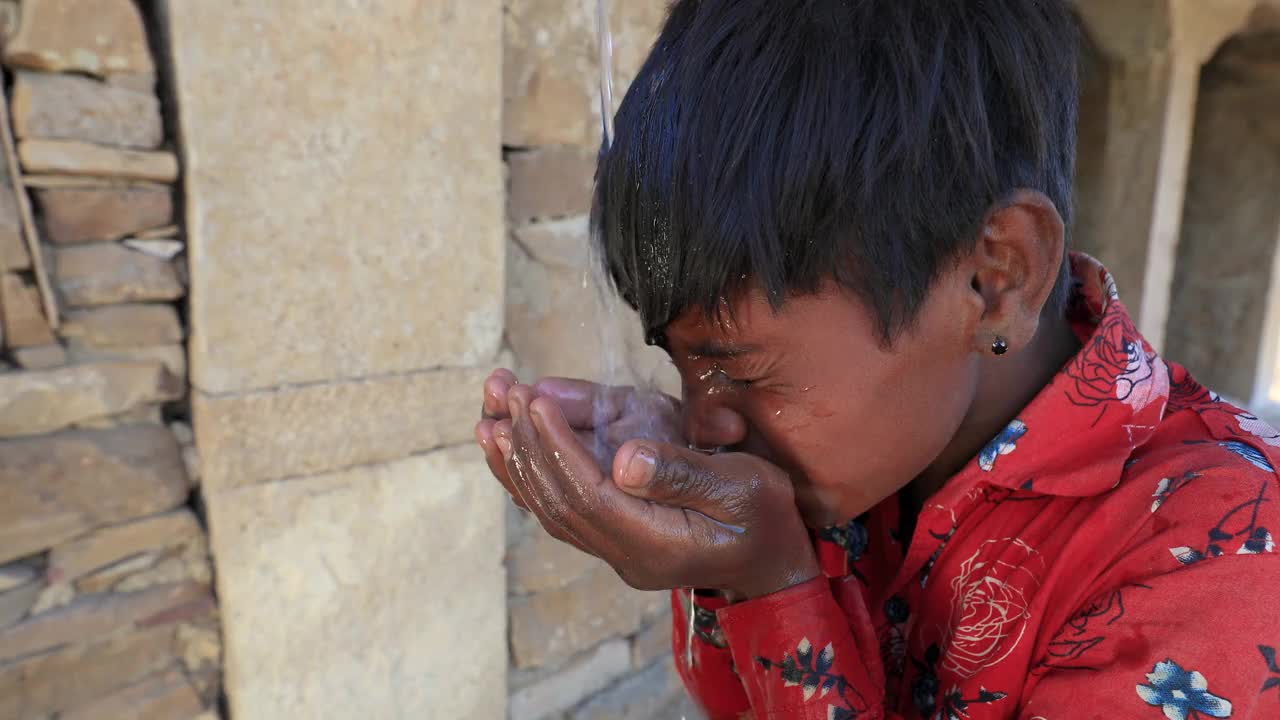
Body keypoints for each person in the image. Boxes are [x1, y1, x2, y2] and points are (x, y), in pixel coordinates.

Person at [475, 1, 1280, 717]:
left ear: (996, 278)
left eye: (743, 370)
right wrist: (722, 551)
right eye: (682, 368)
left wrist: (774, 587)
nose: (704, 421)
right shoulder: (874, 448)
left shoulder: (1227, 566)